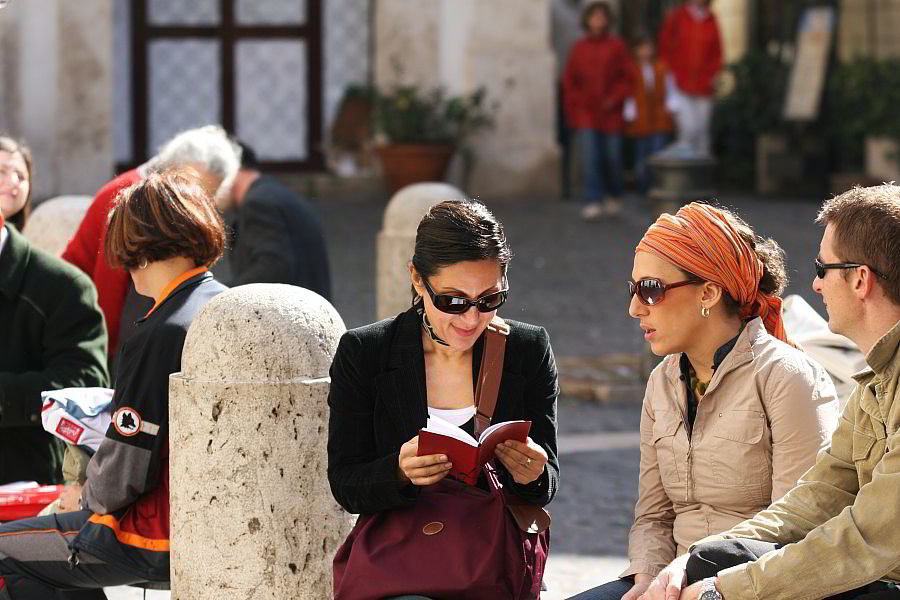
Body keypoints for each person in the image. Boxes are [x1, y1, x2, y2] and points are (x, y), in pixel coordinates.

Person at [569, 202, 839, 600]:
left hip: (752, 586)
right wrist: (645, 575)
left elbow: (797, 525)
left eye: (651, 289)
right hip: (668, 582)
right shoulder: (661, 382)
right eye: (634, 289)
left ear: (709, 292)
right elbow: (653, 516)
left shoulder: (788, 378)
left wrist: (701, 575)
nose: (634, 307)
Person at [642, 186, 900, 600]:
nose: (814, 285)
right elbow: (817, 496)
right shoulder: (877, 380)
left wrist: (722, 590)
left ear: (860, 279)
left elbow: (865, 538)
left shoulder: (788, 375)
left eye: (822, 268)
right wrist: (689, 561)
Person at [0, 168, 227, 596]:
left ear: (133, 247)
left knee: (8, 549)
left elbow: (128, 463)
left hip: (152, 533)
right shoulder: (221, 302)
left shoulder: (160, 329)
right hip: (208, 517)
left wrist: (82, 498)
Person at [327, 200, 559, 597]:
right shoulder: (366, 351)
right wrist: (398, 471)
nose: (471, 319)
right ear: (418, 280)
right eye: (452, 301)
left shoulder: (526, 348)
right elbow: (346, 484)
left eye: (489, 300)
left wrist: (534, 473)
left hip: (492, 567)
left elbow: (547, 479)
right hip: (400, 569)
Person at [62, 125, 240, 367]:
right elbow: (110, 277)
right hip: (108, 322)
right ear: (173, 168)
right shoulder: (131, 195)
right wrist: (109, 349)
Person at [1, 135, 109, 485]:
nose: (12, 182)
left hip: (23, 482)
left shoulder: (62, 285)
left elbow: (86, 384)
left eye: (19, 174)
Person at [216, 141, 331, 299]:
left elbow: (274, 269)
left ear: (230, 168)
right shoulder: (274, 193)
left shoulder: (258, 203)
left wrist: (218, 295)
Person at [562, 2, 632, 220]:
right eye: (594, 16)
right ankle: (592, 199)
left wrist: (615, 98)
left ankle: (613, 193)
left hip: (610, 113)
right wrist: (574, 107)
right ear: (588, 20)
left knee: (612, 157)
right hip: (586, 113)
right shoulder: (579, 48)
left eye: (602, 16)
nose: (598, 21)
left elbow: (627, 77)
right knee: (590, 157)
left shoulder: (616, 46)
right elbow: (569, 81)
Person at [658, 0, 722, 158]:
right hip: (680, 83)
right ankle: (684, 173)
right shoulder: (677, 17)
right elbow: (665, 47)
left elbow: (717, 52)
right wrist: (671, 73)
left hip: (704, 86)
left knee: (703, 132)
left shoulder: (711, 19)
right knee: (689, 129)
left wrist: (711, 75)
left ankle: (702, 175)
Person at [623, 34, 674, 196]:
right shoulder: (631, 69)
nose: (646, 51)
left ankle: (657, 187)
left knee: (658, 154)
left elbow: (669, 90)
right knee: (642, 157)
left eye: (648, 47)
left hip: (659, 118)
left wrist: (670, 109)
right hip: (641, 119)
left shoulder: (661, 67)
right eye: (642, 47)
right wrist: (629, 114)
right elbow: (629, 94)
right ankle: (644, 187)